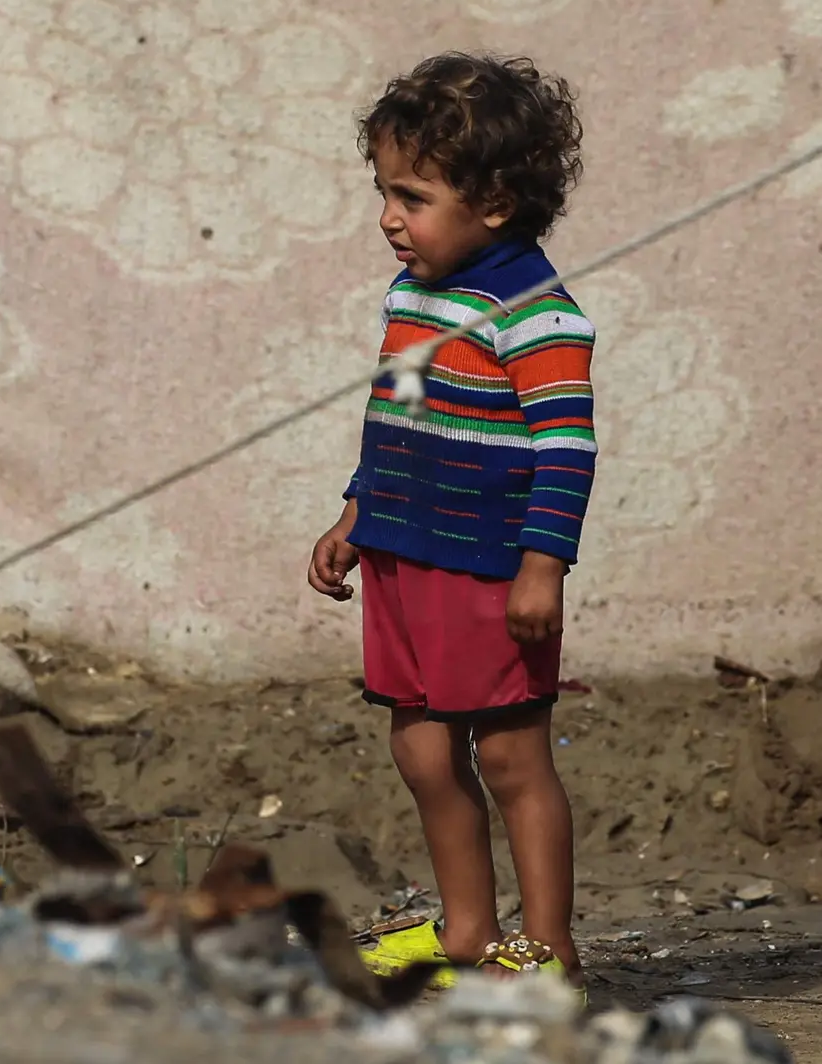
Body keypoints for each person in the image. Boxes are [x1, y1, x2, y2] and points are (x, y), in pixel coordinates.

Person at [307, 52, 596, 999]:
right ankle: (468, 928)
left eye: (413, 196)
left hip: (485, 572)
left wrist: (542, 566)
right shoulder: (412, 294)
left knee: (511, 755)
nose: (390, 217)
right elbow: (395, 416)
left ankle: (547, 946)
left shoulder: (537, 316)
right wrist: (356, 511)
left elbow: (566, 451)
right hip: (403, 555)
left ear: (497, 202)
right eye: (385, 192)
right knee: (422, 745)